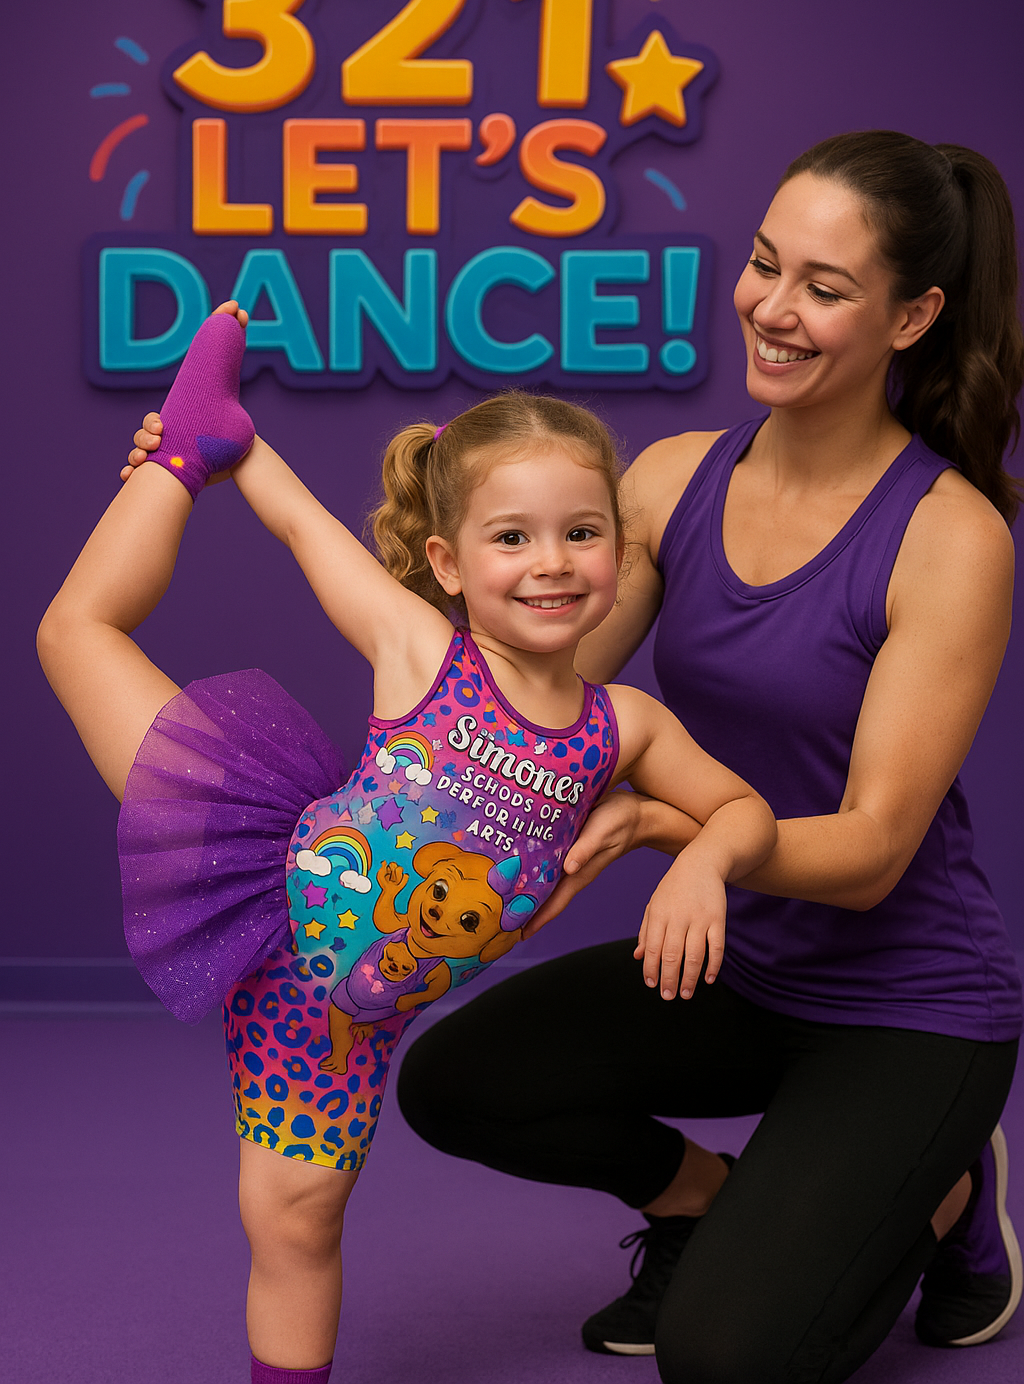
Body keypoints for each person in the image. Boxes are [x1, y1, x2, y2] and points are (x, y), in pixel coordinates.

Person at [37, 316, 776, 1384]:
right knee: (76, 635)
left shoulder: (627, 725)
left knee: (295, 1224)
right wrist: (215, 449)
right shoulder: (422, 648)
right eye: (511, 538)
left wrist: (680, 841)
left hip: (341, 1028)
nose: (551, 565)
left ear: (620, 547)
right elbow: (298, 526)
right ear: (448, 559)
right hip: (257, 871)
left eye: (582, 533)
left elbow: (744, 810)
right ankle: (184, 447)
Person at [396, 130, 1024, 1383]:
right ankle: (699, 1202)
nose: (772, 311)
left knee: (723, 1361)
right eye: (761, 265)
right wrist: (235, 486)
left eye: (824, 288)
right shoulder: (677, 480)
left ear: (914, 318)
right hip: (737, 968)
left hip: (905, 1008)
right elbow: (535, 680)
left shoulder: (950, 539)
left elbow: (869, 852)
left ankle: (946, 1193)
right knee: (455, 1080)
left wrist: (661, 830)